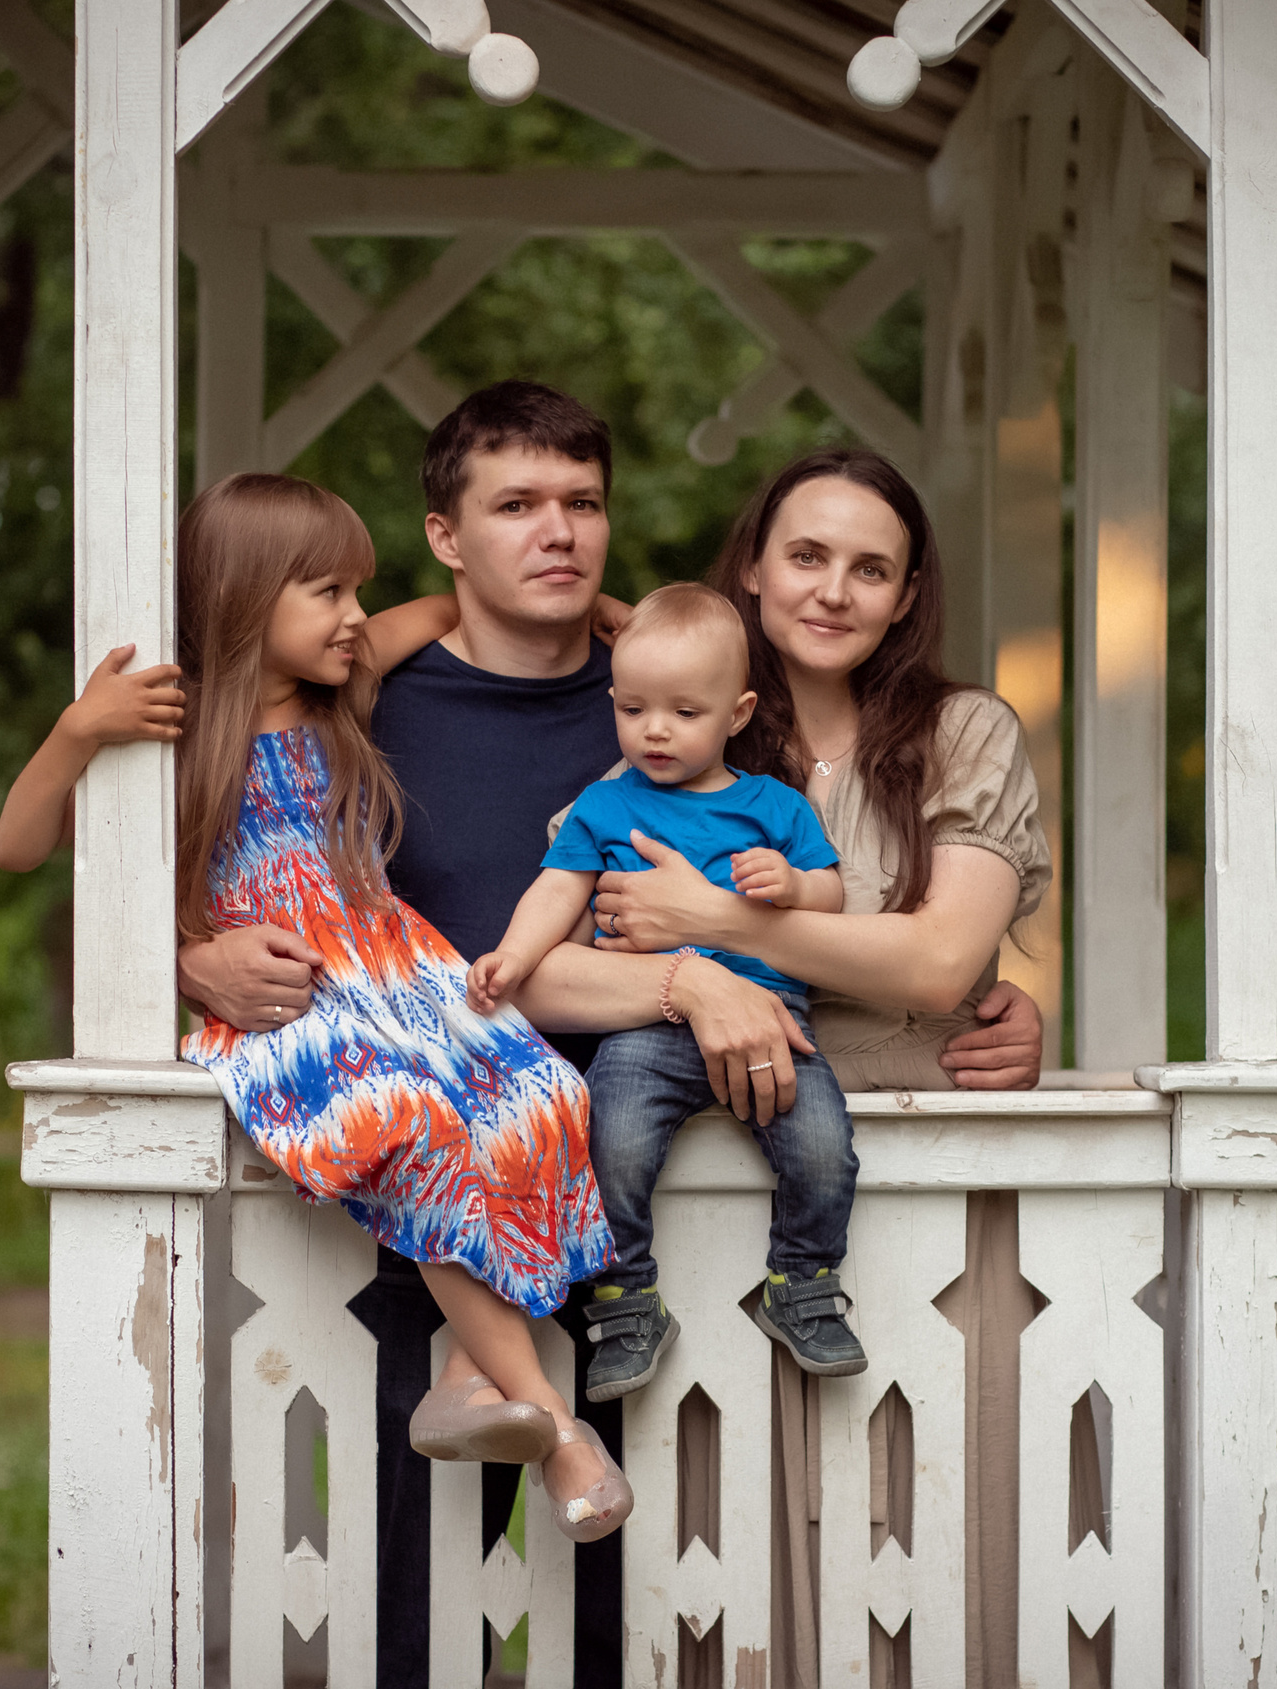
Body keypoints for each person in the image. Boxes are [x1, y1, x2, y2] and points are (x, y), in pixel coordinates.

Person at [172, 385, 1048, 1686]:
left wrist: (988, 997)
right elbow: (208, 845)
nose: (559, 533)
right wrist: (186, 956)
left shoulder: (668, 702)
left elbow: (843, 895)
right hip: (443, 1199)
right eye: (516, 506)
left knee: (644, 1609)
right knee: (418, 1607)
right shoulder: (368, 698)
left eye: (583, 504)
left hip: (654, 1201)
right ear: (446, 535)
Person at [0, 470, 631, 1543]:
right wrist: (77, 732)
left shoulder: (344, 690)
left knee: (546, 1094)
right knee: (412, 1124)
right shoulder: (177, 722)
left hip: (395, 967)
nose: (353, 618)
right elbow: (18, 847)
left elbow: (438, 610)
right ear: (248, 600)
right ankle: (560, 1426)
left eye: (354, 593)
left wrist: (616, 614)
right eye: (327, 593)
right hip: (294, 1005)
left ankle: (473, 1379)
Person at [580, 446, 1054, 1682]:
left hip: (920, 1184)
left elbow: (949, 965)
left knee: (918, 1523)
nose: (833, 589)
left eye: (870, 568)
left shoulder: (962, 733)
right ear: (751, 568)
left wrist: (715, 922)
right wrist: (841, 959)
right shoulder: (687, 727)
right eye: (805, 555)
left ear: (907, 596)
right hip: (709, 1172)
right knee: (709, 1545)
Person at [469, 583, 866, 1403]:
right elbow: (557, 888)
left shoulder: (773, 806)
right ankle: (626, 1300)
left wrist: (791, 884)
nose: (655, 730)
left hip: (774, 1017)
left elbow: (833, 895)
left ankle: (804, 1281)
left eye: (685, 712)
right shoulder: (606, 803)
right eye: (635, 707)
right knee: (607, 1136)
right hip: (648, 1020)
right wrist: (512, 954)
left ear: (738, 711)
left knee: (825, 1147)